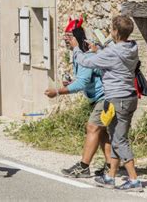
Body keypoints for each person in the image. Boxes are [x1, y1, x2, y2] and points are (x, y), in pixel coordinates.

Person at [68, 16, 143, 192]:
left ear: (115, 32)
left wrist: (76, 48)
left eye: (112, 29)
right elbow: (112, 56)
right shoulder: (132, 47)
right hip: (129, 97)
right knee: (116, 135)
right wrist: (98, 50)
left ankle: (134, 180)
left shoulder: (113, 52)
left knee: (119, 140)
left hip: (118, 99)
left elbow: (85, 62)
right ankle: (110, 177)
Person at [44, 17, 111, 178]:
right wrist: (71, 82)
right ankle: (110, 165)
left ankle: (83, 167)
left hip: (104, 97)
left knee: (92, 128)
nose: (66, 39)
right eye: (65, 36)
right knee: (101, 132)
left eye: (69, 36)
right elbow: (85, 78)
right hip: (100, 97)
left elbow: (82, 83)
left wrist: (59, 91)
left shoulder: (85, 56)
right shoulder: (80, 54)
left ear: (77, 38)